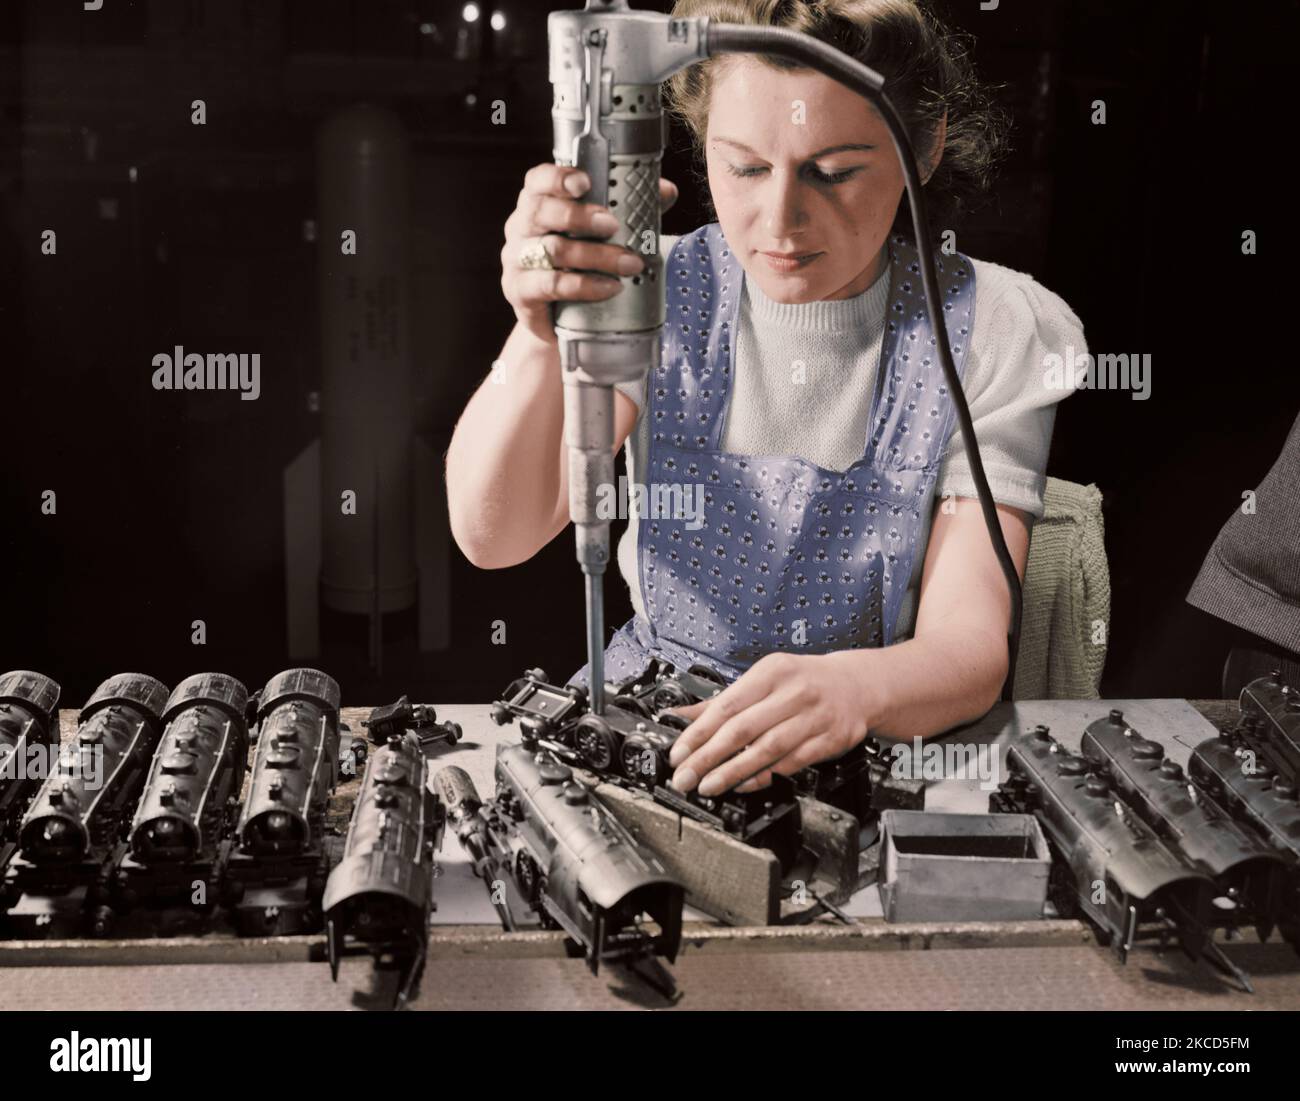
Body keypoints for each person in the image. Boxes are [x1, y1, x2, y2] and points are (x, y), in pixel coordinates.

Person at [446, 0, 1086, 796]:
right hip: (652, 715)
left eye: (835, 170)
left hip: (861, 734)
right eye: (744, 168)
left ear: (925, 145)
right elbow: (493, 533)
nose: (780, 220)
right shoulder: (654, 291)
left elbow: (968, 648)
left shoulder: (986, 328)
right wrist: (541, 334)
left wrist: (857, 691)